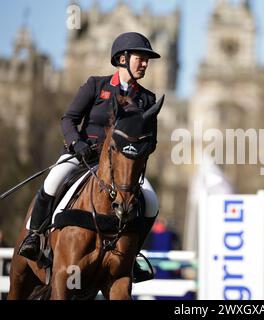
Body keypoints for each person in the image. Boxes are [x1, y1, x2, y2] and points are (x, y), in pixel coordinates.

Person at [18, 32, 162, 283]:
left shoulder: (147, 99)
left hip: (122, 168)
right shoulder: (96, 85)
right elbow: (68, 119)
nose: (145, 64)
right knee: (53, 180)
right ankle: (34, 237)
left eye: (147, 59)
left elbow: (152, 140)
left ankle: (132, 254)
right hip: (82, 156)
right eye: (141, 58)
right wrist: (78, 143)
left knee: (150, 200)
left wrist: (137, 154)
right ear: (122, 59)